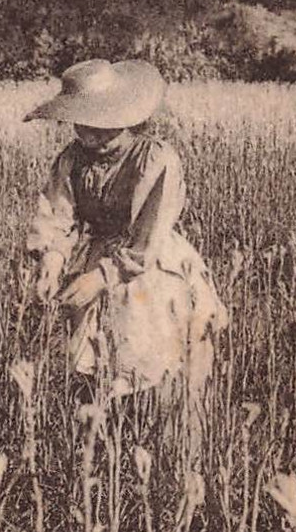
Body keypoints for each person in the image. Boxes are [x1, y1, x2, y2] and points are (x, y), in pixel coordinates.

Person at [24, 58, 228, 405]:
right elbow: (56, 213)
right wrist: (52, 258)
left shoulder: (156, 158)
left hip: (149, 264)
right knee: (95, 365)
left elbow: (148, 239)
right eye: (83, 125)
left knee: (158, 363)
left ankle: (168, 441)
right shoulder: (72, 159)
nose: (91, 135)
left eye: (102, 126)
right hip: (98, 256)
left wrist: (103, 277)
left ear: (127, 118)